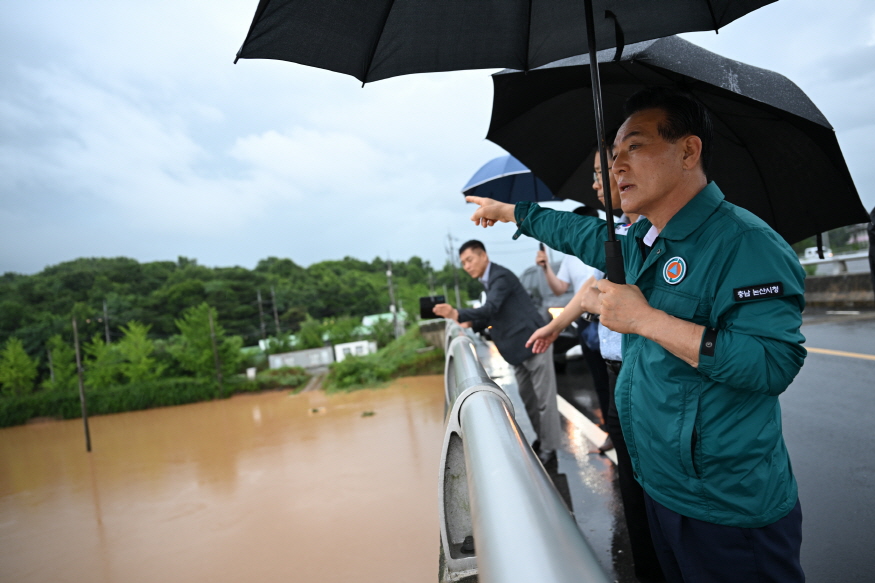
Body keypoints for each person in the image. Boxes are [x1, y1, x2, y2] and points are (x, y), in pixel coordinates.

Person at [465, 87, 807, 583]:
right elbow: (580, 233)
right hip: (661, 486)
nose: (617, 165)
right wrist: (513, 212)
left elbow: (771, 364)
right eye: (614, 154)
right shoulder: (645, 240)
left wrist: (646, 320)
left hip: (725, 505)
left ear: (688, 151)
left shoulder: (745, 244)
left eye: (635, 147)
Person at [527, 151, 665, 583]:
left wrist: (516, 214)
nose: (598, 183)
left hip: (643, 372)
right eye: (599, 173)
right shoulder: (621, 233)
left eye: (604, 172)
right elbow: (587, 290)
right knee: (633, 484)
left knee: (655, 485)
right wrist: (556, 327)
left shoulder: (653, 233)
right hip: (614, 367)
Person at [433, 240, 561, 466]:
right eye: (463, 263)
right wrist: (471, 322)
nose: (467, 266)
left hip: (535, 344)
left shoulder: (500, 277)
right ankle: (542, 441)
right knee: (529, 400)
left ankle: (550, 449)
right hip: (518, 350)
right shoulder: (489, 280)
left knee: (544, 401)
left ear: (483, 255)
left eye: (469, 260)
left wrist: (456, 313)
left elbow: (491, 308)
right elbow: (495, 313)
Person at [535, 206, 610, 426]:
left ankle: (623, 432)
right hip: (585, 321)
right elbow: (560, 288)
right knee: (599, 378)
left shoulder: (609, 245)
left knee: (619, 376)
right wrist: (546, 268)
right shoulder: (571, 255)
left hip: (612, 319)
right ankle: (609, 428)